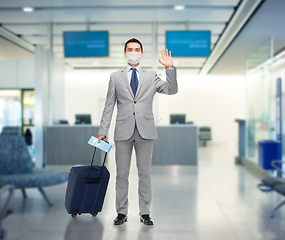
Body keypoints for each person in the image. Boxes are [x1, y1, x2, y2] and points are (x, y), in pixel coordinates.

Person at [98, 38, 178, 226]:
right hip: (122, 132)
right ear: (125, 53)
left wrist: (170, 69)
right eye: (130, 49)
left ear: (141, 53)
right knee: (121, 174)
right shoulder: (115, 77)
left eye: (137, 49)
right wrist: (103, 130)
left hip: (146, 131)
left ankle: (145, 212)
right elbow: (109, 105)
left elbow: (171, 90)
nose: (133, 52)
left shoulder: (151, 76)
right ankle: (121, 212)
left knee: (145, 174)